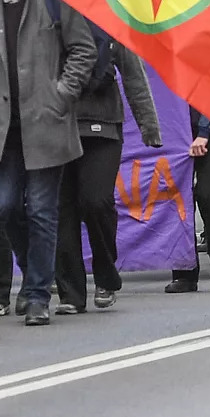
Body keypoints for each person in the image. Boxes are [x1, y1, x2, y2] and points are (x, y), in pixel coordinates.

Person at [0, 0, 95, 326]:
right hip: (2, 124)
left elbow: (84, 51)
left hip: (45, 122)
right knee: (6, 206)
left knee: (42, 210)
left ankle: (39, 294)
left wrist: (60, 94)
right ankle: (32, 273)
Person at [56, 36, 160, 313]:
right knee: (61, 210)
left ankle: (105, 274)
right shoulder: (48, 20)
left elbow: (133, 76)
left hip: (102, 125)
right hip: (57, 126)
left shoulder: (110, 25)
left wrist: (149, 126)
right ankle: (71, 294)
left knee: (96, 201)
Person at [166, 102, 210, 293]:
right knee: (178, 199)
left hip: (207, 126)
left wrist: (205, 132)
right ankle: (183, 271)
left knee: (208, 194)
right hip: (173, 130)